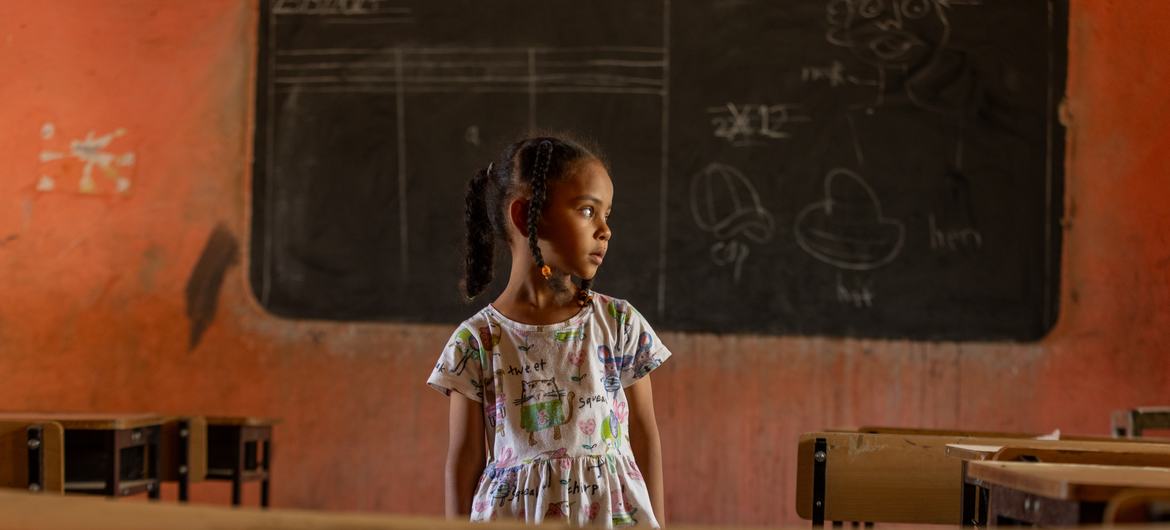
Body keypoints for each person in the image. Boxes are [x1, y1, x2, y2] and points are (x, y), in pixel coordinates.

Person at [427, 135, 670, 527]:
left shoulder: (619, 323)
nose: (605, 230)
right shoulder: (476, 342)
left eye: (608, 214)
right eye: (588, 211)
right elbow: (464, 460)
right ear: (526, 216)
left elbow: (644, 436)